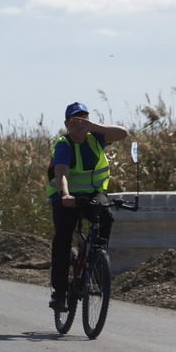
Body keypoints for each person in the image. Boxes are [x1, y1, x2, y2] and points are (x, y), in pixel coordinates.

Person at [47, 102, 128, 311]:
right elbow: (61, 173)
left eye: (84, 119)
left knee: (106, 217)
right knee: (63, 239)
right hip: (67, 196)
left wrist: (95, 127)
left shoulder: (96, 139)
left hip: (94, 194)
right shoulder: (64, 144)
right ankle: (60, 292)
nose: (80, 124)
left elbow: (123, 133)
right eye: (75, 121)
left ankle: (96, 261)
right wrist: (65, 194)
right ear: (67, 124)